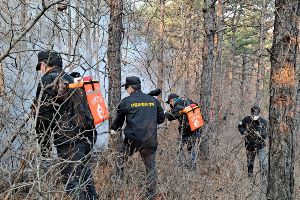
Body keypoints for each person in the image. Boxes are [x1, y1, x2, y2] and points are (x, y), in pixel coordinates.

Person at [35, 50, 98, 200]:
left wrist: (44, 147)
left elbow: (43, 117)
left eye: (40, 66)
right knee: (84, 175)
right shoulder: (71, 79)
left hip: (68, 140)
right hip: (86, 136)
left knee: (72, 182)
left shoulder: (47, 81)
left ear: (43, 64)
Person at [111, 76, 165, 200]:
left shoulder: (126, 101)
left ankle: (118, 188)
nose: (126, 91)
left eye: (126, 88)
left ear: (130, 88)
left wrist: (114, 129)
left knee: (120, 159)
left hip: (132, 141)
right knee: (151, 169)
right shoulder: (153, 100)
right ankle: (150, 196)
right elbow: (161, 119)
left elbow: (118, 121)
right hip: (150, 140)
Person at [164, 94, 200, 170]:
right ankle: (192, 165)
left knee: (178, 147)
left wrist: (165, 114)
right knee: (191, 148)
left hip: (186, 132)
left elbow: (172, 117)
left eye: (170, 103)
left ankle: (183, 165)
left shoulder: (176, 108)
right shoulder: (188, 101)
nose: (170, 105)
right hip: (196, 128)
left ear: (172, 101)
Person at [238, 106, 269, 179]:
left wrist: (259, 134)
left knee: (263, 164)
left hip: (260, 146)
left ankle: (263, 180)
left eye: (256, 114)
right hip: (250, 146)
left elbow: (267, 133)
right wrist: (245, 132)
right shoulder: (246, 120)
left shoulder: (264, 122)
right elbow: (240, 127)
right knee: (250, 164)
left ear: (259, 114)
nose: (255, 116)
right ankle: (250, 179)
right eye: (253, 114)